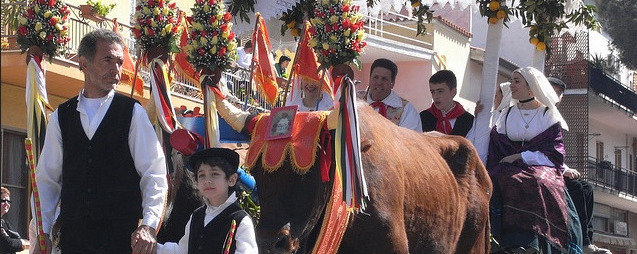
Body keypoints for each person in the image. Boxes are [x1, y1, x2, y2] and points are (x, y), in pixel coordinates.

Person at [34, 29, 169, 254]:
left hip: (120, 241)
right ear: (83, 63)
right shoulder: (62, 115)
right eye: (108, 60)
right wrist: (43, 231)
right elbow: (48, 180)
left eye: (119, 61)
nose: (116, 69)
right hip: (73, 241)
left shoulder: (132, 113)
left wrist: (148, 225)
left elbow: (154, 173)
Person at [487, 67, 582, 253]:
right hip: (509, 165)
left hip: (541, 163)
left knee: (536, 181)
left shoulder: (547, 114)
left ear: (531, 87)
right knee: (499, 180)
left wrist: (520, 156)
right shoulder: (506, 114)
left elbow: (554, 152)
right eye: (512, 81)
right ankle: (501, 240)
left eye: (517, 81)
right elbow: (497, 143)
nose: (512, 85)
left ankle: (533, 243)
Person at [548, 77, 612, 254]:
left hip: (553, 166)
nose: (556, 96)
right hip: (539, 166)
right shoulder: (541, 113)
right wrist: (564, 169)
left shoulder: (553, 116)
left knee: (586, 188)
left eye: (559, 93)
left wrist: (564, 168)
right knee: (575, 187)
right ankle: (578, 240)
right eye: (553, 91)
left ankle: (587, 241)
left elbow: (554, 150)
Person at [156, 148, 258, 253]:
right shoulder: (196, 216)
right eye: (201, 175)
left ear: (231, 179)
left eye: (214, 174)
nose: (207, 181)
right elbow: (182, 251)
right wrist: (152, 247)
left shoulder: (240, 220)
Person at [365, 58, 421, 131]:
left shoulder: (406, 110)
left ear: (393, 83)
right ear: (370, 79)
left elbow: (411, 140)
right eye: (376, 77)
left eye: (384, 79)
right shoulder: (354, 100)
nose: (379, 83)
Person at [420, 70, 474, 136]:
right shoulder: (423, 117)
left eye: (440, 91)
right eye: (432, 92)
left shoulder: (468, 120)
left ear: (453, 92)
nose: (435, 96)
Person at [1, 187, 29, 254]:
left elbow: (16, 239)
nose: (6, 203)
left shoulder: (4, 223)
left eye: (8, 201)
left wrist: (19, 242)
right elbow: (8, 243)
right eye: (3, 201)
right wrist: (21, 242)